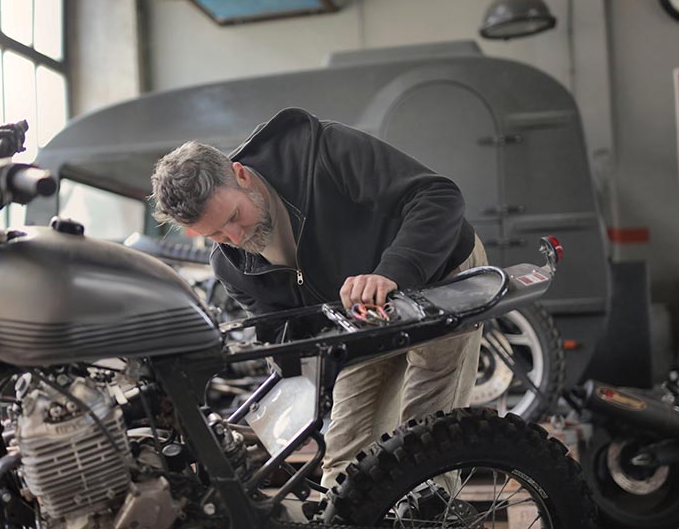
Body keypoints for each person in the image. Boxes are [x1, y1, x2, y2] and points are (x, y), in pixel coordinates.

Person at [150, 107, 487, 492]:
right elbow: (288, 337)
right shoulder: (231, 268)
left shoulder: (321, 151)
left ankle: (435, 512)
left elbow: (436, 196)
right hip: (357, 316)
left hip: (436, 272)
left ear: (240, 174)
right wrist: (295, 408)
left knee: (425, 438)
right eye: (217, 235)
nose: (236, 237)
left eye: (233, 216)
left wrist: (391, 272)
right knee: (345, 464)